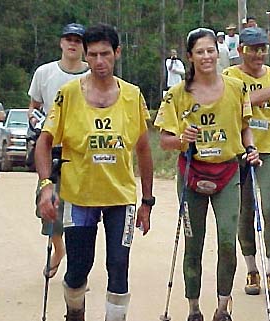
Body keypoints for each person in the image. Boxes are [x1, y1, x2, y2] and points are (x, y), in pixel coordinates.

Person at [35, 23, 154, 321]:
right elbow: (45, 142)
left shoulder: (132, 95)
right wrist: (47, 185)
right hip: (79, 196)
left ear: (117, 53)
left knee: (118, 265)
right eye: (93, 55)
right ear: (86, 57)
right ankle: (74, 312)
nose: (100, 62)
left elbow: (143, 149)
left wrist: (147, 201)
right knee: (78, 267)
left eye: (105, 54)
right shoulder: (68, 94)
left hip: (120, 197)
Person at [154, 28, 258, 321]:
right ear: (190, 57)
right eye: (199, 52)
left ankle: (223, 308)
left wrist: (251, 149)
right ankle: (193, 308)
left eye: (210, 50)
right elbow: (165, 140)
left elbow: (245, 126)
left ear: (218, 52)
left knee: (228, 240)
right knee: (193, 244)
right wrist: (182, 139)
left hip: (228, 172)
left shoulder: (237, 88)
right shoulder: (177, 95)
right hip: (192, 174)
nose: (206, 56)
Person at [223, 27, 270, 299]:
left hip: (268, 151)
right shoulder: (230, 77)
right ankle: (251, 268)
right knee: (244, 211)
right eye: (253, 49)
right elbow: (242, 103)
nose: (259, 54)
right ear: (241, 49)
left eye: (262, 48)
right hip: (238, 150)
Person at [28, 23, 90, 279]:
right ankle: (59, 249)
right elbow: (33, 106)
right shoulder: (44, 73)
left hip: (83, 151)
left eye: (78, 40)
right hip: (51, 147)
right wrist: (37, 122)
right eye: (68, 39)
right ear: (61, 43)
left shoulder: (91, 75)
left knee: (81, 210)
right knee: (48, 204)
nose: (73, 44)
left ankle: (78, 266)